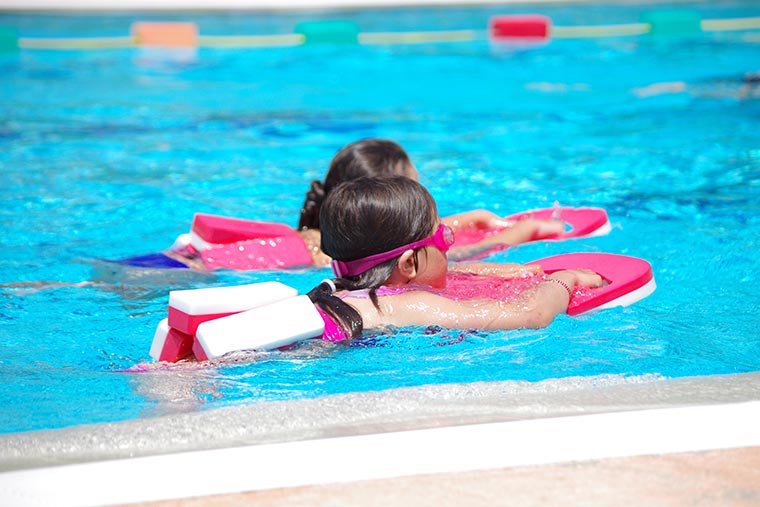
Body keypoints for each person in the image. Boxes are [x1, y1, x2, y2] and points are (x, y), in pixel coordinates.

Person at [307, 176, 603, 340]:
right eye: (444, 238)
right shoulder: (406, 304)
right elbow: (532, 316)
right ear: (408, 264)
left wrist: (494, 273)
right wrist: (565, 280)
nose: (449, 248)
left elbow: (444, 276)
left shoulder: (338, 292)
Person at [296, 138, 566, 265]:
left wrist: (471, 219)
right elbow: (455, 257)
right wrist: (517, 234)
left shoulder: (328, 238)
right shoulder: (328, 258)